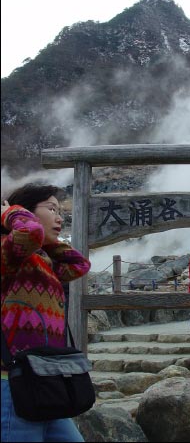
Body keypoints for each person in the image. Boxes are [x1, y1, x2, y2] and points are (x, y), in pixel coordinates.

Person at [1, 183, 91, 442]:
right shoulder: (8, 251)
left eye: (60, 210)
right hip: (12, 383)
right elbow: (29, 232)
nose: (60, 217)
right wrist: (10, 213)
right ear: (25, 212)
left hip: (46, 378)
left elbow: (79, 264)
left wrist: (48, 243)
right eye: (51, 209)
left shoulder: (44, 261)